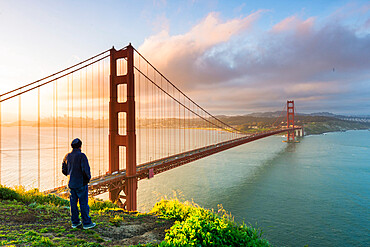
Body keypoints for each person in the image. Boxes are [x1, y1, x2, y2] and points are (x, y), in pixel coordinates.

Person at [62, 138, 96, 229]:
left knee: (73, 203)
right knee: (83, 203)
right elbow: (86, 170)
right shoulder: (82, 156)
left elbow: (63, 170)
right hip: (81, 183)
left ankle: (75, 222)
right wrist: (86, 180)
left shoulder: (67, 156)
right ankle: (86, 223)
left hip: (71, 184)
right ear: (80, 146)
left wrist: (70, 176)